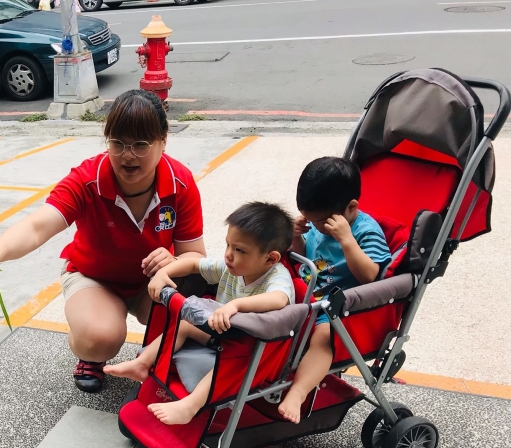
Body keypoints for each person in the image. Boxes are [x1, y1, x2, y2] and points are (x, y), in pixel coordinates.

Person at [0, 90, 207, 393]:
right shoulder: (87, 179)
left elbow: (197, 257)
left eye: (140, 144)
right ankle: (90, 352)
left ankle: (155, 355)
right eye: (118, 143)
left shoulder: (180, 183)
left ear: (163, 140)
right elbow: (37, 226)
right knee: (98, 338)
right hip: (94, 277)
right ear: (106, 139)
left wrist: (174, 261)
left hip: (151, 283)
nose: (128, 155)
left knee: (190, 310)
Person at [106, 202, 295, 425]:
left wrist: (236, 305)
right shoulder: (232, 267)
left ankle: (191, 405)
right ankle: (142, 364)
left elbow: (279, 299)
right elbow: (194, 265)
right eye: (228, 245)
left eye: (239, 250)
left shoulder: (277, 278)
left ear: (270, 259)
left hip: (252, 347)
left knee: (230, 362)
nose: (228, 255)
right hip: (224, 332)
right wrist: (163, 272)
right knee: (185, 323)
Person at [278, 157, 392, 423]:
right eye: (310, 219)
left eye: (318, 221)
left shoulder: (365, 232)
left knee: (322, 339)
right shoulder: (320, 224)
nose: (316, 226)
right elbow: (306, 257)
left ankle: (298, 392)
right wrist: (296, 237)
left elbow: (371, 276)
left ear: (351, 208)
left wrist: (347, 240)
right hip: (303, 292)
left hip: (335, 309)